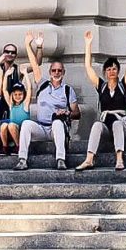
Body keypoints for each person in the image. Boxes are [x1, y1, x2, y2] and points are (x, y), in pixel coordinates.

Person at [17, 32, 80, 170]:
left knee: (57, 123)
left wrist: (67, 112)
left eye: (59, 71)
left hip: (56, 127)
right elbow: (34, 65)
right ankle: (22, 159)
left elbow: (77, 113)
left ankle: (61, 159)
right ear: (50, 72)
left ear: (63, 73)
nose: (56, 73)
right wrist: (28, 45)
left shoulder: (68, 90)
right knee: (26, 124)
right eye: (54, 70)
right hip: (41, 126)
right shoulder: (43, 85)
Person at [77, 28, 126, 172]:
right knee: (97, 125)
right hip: (106, 125)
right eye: (109, 69)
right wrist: (88, 44)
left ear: (118, 71)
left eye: (114, 69)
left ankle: (119, 158)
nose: (111, 72)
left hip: (122, 126)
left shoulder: (123, 85)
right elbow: (88, 67)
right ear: (105, 72)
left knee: (116, 124)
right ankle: (89, 159)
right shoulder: (101, 86)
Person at [0, 79, 33, 155]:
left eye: (20, 94)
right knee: (4, 125)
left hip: (22, 131)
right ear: (12, 95)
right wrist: (6, 75)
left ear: (24, 94)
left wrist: (26, 74)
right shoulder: (11, 105)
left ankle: (19, 147)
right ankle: (5, 147)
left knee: (11, 125)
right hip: (12, 131)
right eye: (15, 94)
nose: (17, 96)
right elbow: (4, 90)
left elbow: (29, 89)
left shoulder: (25, 105)